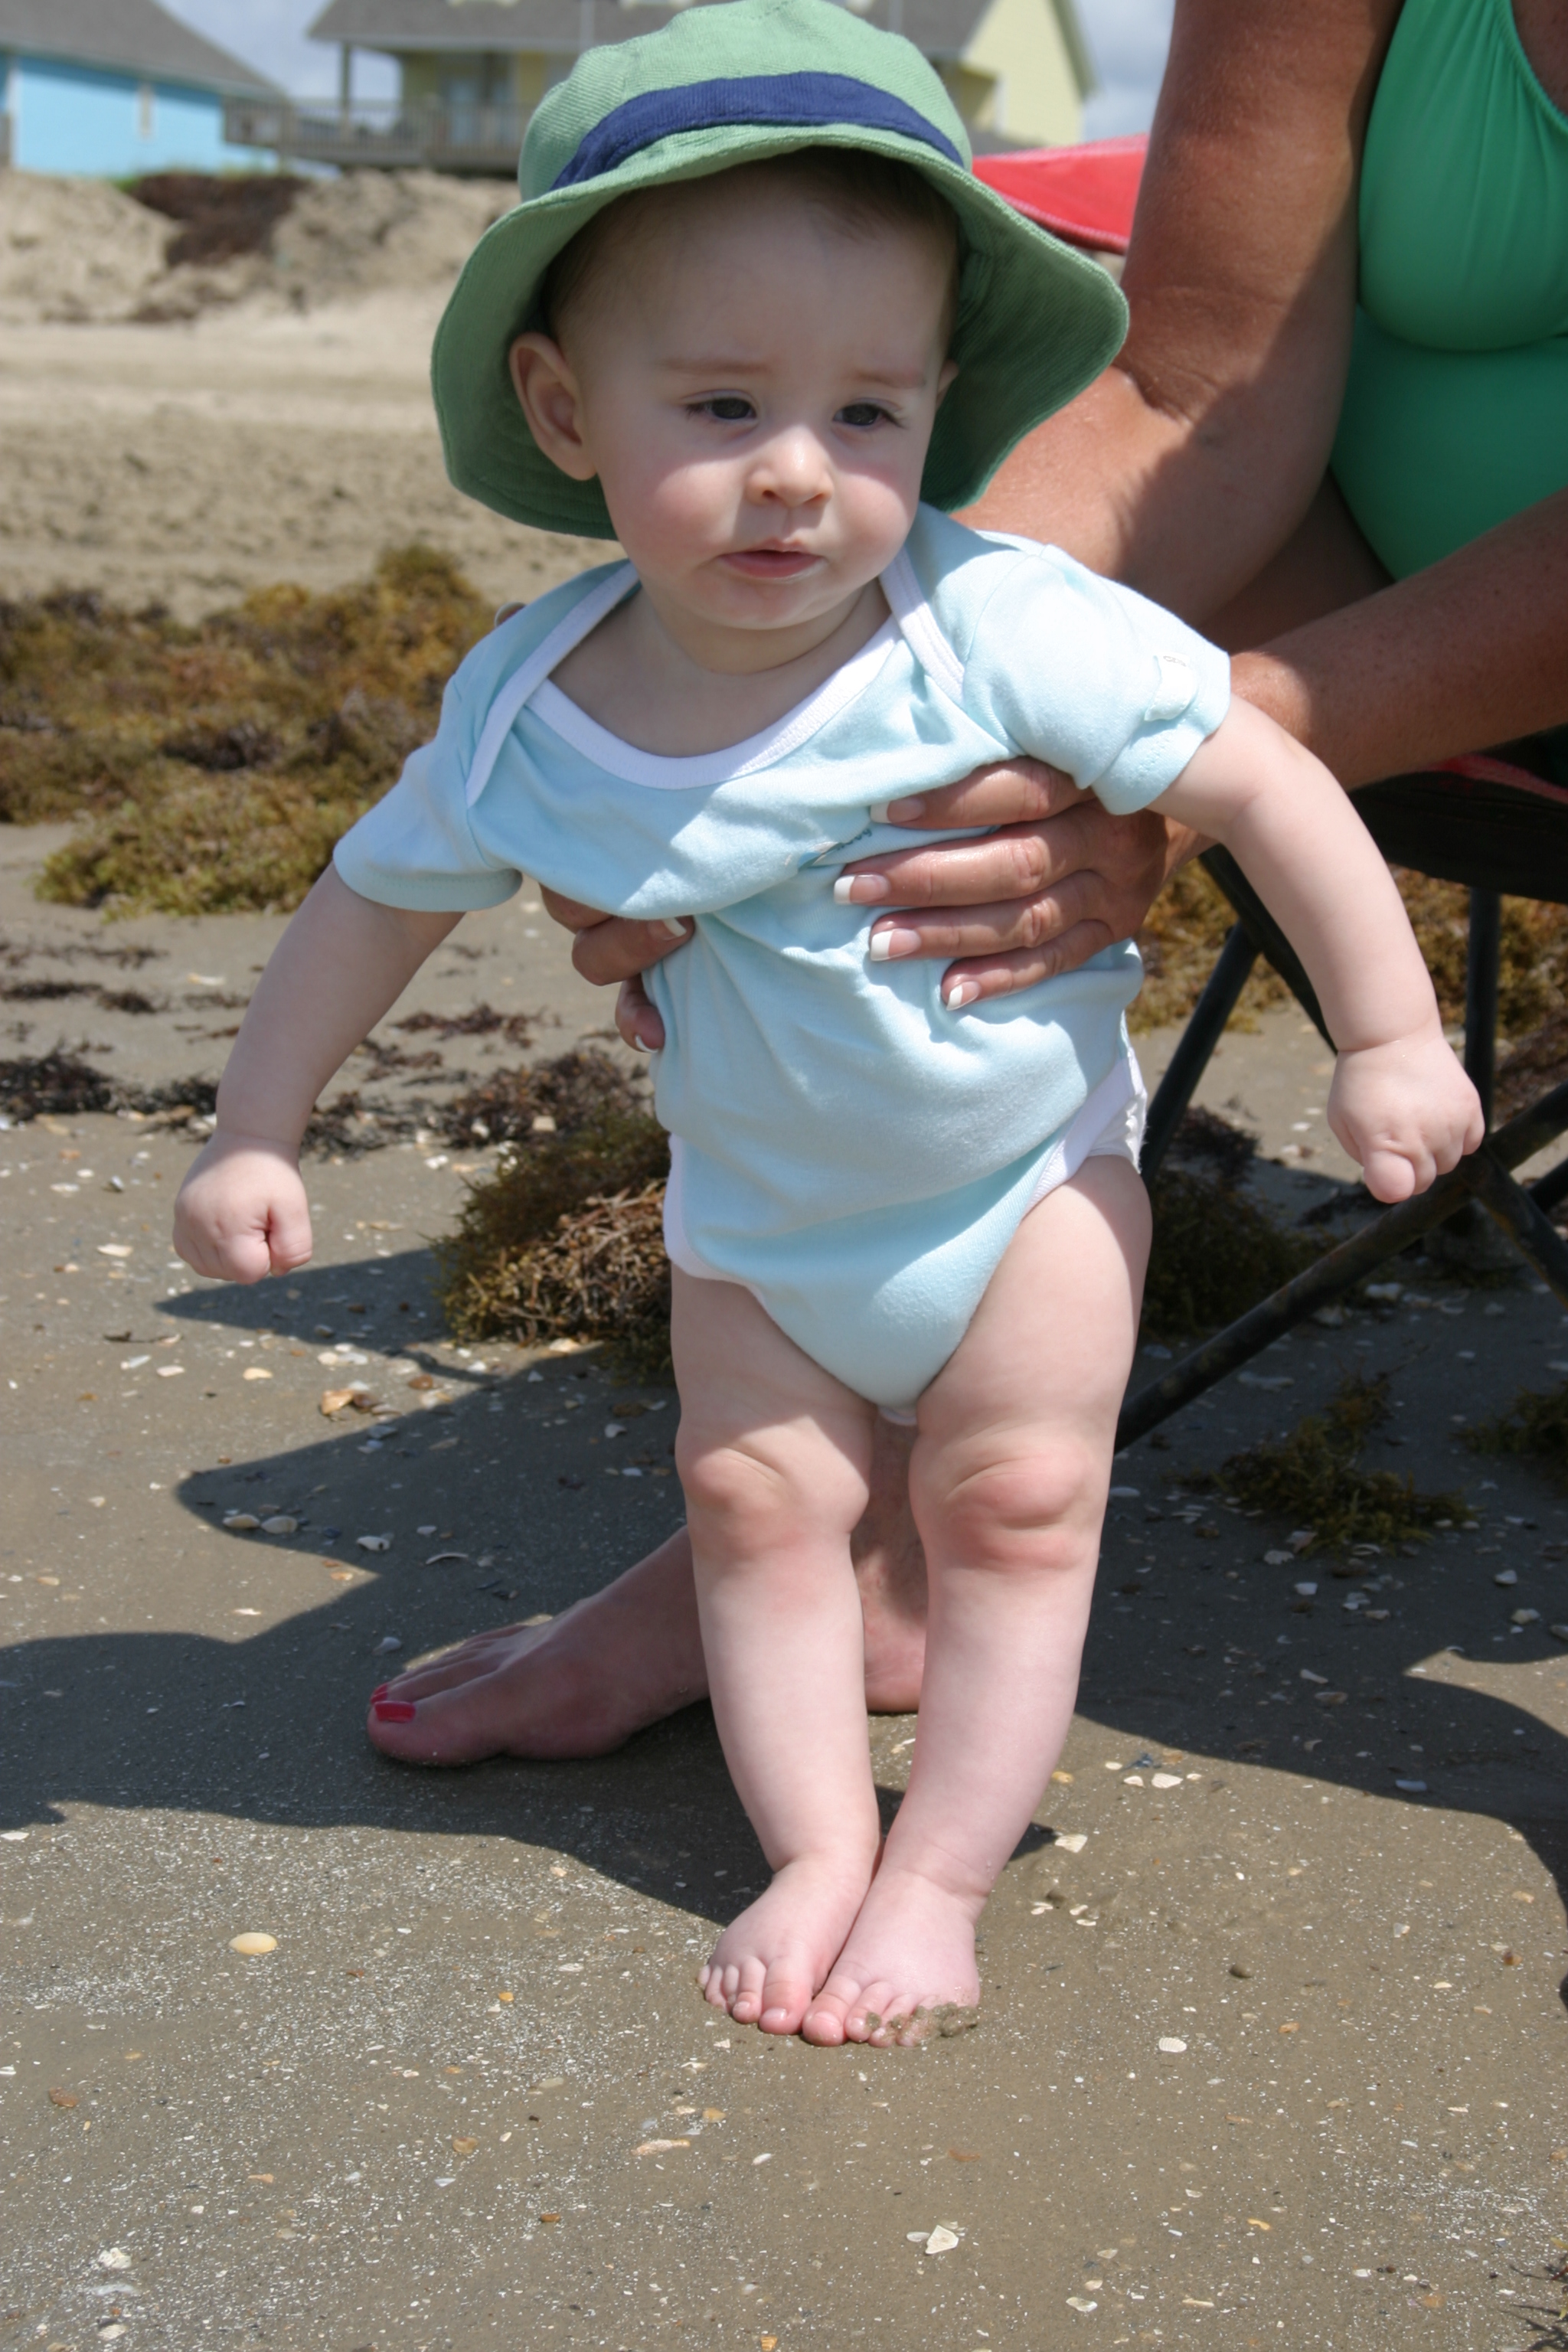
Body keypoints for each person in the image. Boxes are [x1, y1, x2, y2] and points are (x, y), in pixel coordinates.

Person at [173, 0, 1481, 2041]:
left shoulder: (994, 623)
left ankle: (942, 1875)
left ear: (937, 414)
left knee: (1020, 1503)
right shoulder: (537, 701)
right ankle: (815, 1848)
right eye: (720, 407)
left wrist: (1388, 1032)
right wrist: (259, 1124)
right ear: (563, 401)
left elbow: (1259, 774)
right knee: (751, 1506)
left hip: (1019, 1188)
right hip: (765, 1230)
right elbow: (370, 899)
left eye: (870, 418)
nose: (802, 476)